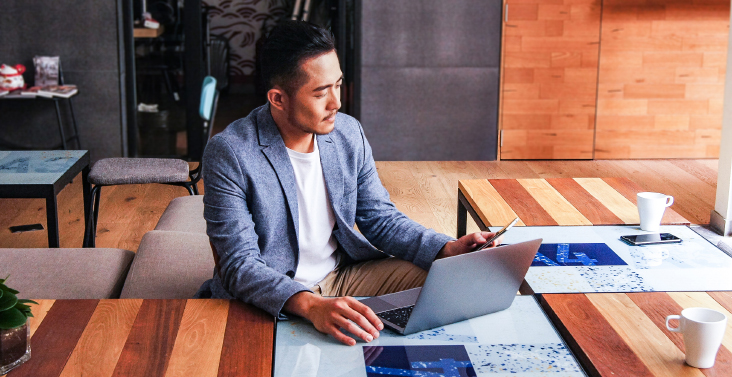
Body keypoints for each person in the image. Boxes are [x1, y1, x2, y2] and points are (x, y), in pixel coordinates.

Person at [196, 20, 502, 346]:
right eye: (320, 92)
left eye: (337, 85)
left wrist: (446, 248)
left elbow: (379, 218)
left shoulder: (347, 133)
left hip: (343, 277)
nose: (336, 103)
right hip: (272, 293)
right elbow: (238, 265)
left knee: (453, 283)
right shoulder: (231, 152)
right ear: (278, 98)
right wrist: (311, 305)